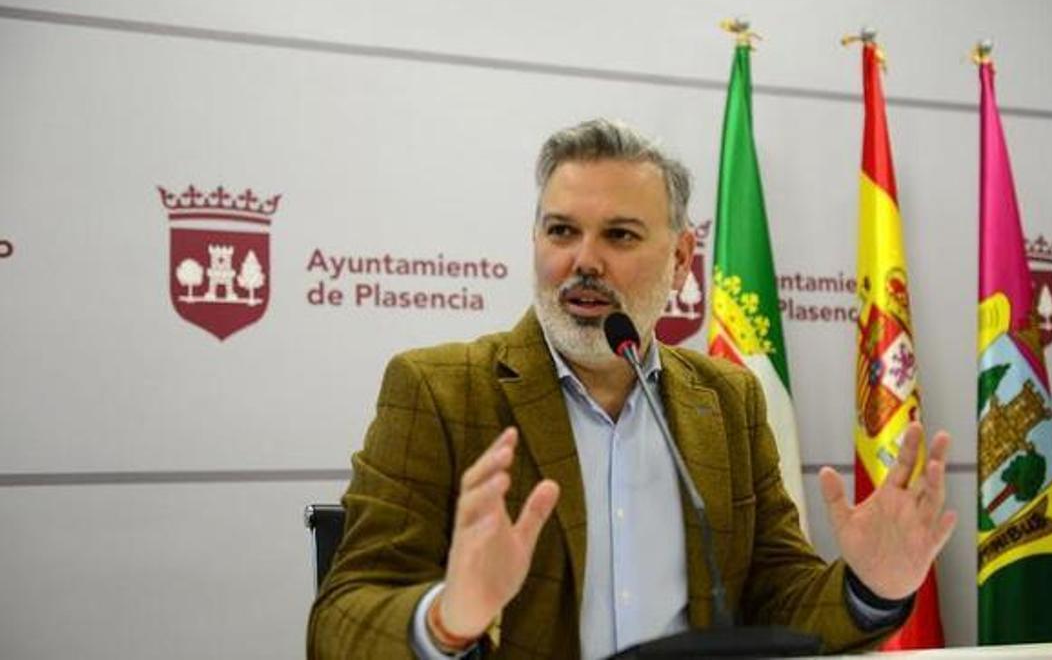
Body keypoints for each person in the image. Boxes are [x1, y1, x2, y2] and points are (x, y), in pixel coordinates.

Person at [307, 118, 957, 659]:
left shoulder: (727, 400)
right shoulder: (440, 391)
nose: (584, 260)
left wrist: (870, 586)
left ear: (681, 258)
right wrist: (446, 617)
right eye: (562, 230)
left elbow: (773, 599)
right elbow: (339, 619)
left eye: (619, 234)